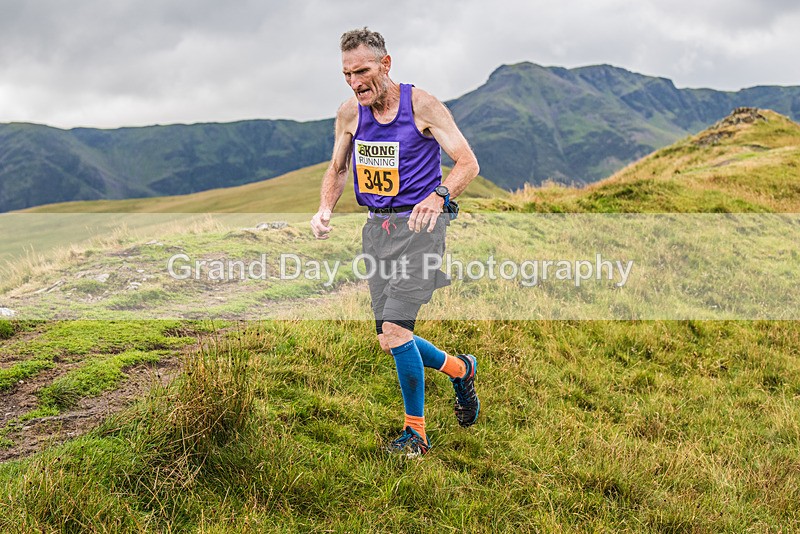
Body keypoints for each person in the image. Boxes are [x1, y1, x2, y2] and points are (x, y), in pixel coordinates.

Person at [310, 27, 480, 457]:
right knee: (389, 338)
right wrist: (325, 207)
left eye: (362, 71)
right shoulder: (350, 113)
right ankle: (461, 370)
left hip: (421, 230)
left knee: (396, 328)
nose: (355, 82)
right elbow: (337, 168)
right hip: (376, 232)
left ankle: (416, 435)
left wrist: (439, 196)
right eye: (347, 74)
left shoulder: (421, 105)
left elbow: (467, 162)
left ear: (386, 64)